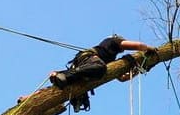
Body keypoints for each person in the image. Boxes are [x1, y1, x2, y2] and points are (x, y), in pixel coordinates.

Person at [18, 35, 157, 111]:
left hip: (86, 68)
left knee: (62, 90)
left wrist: (139, 70)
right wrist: (150, 48)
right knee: (100, 68)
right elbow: (138, 45)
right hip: (88, 61)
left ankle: (28, 98)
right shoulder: (113, 41)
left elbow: (121, 78)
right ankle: (64, 75)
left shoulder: (111, 59)